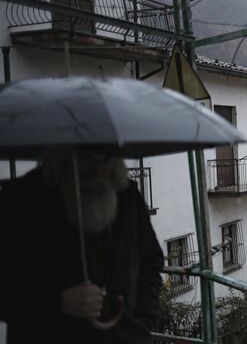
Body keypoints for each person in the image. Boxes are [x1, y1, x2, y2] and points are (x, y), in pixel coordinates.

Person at [0, 147, 164, 344]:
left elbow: (151, 262)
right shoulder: (22, 199)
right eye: (86, 158)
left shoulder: (127, 196)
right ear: (63, 157)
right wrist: (58, 301)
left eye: (105, 159)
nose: (97, 170)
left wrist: (142, 322)